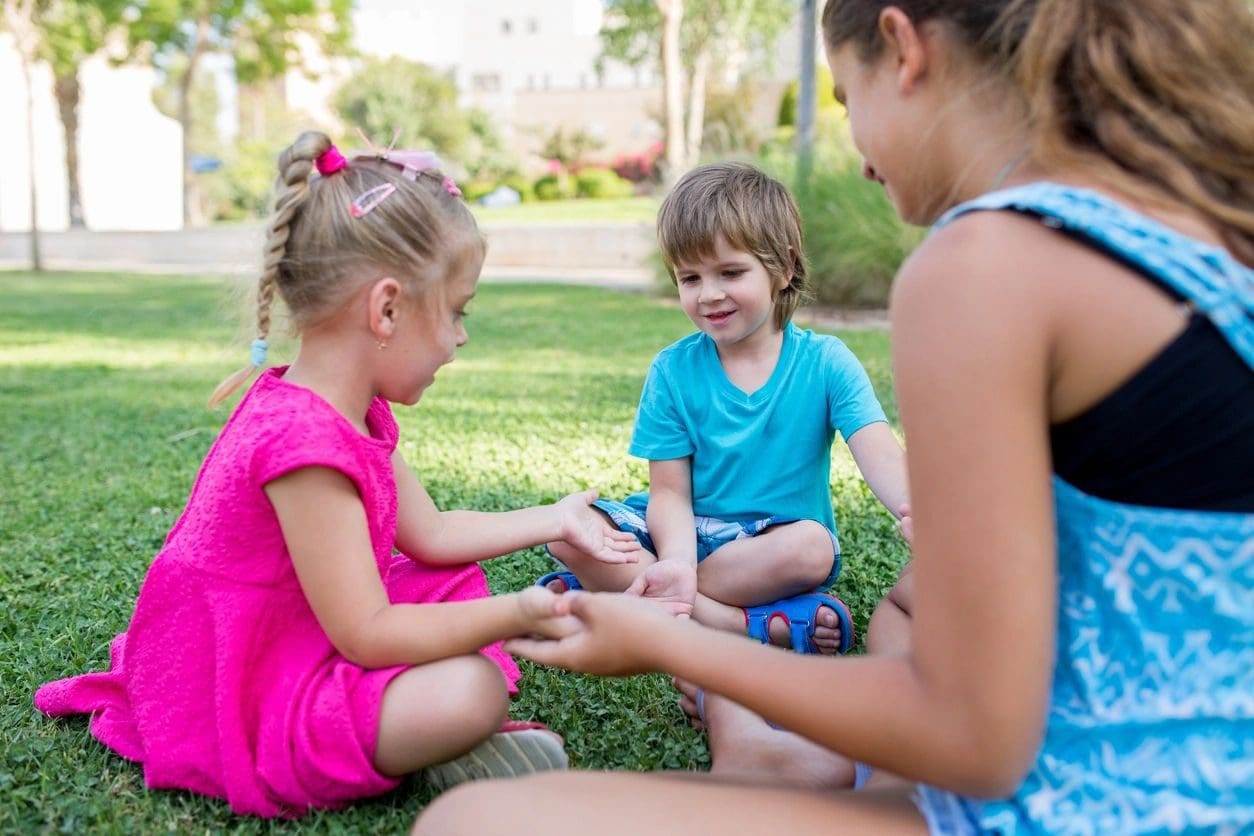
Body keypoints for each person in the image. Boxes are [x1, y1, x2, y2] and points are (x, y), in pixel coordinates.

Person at [413, 0, 1254, 832]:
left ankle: (809, 759)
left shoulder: (983, 266)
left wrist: (669, 641)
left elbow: (974, 737)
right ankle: (828, 771)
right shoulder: (1207, 224)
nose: (857, 157)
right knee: (908, 605)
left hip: (1103, 805)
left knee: (471, 822)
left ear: (902, 48)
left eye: (849, 100)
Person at [33, 130, 646, 818]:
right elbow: (368, 633)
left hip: (297, 627)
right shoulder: (302, 443)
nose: (461, 339)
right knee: (468, 688)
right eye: (457, 312)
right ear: (386, 308)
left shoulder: (352, 407)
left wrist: (554, 519)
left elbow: (433, 533)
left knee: (447, 583)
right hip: (249, 685)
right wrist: (518, 611)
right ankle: (431, 739)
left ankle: (424, 736)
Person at [542, 161, 909, 657]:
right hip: (680, 530)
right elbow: (668, 494)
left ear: (783, 267)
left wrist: (917, 510)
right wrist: (674, 559)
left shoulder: (826, 363)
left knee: (812, 548)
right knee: (568, 533)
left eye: (730, 273)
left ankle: (628, 601)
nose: (709, 295)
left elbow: (879, 452)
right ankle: (733, 624)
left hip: (766, 546)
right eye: (689, 278)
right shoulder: (673, 371)